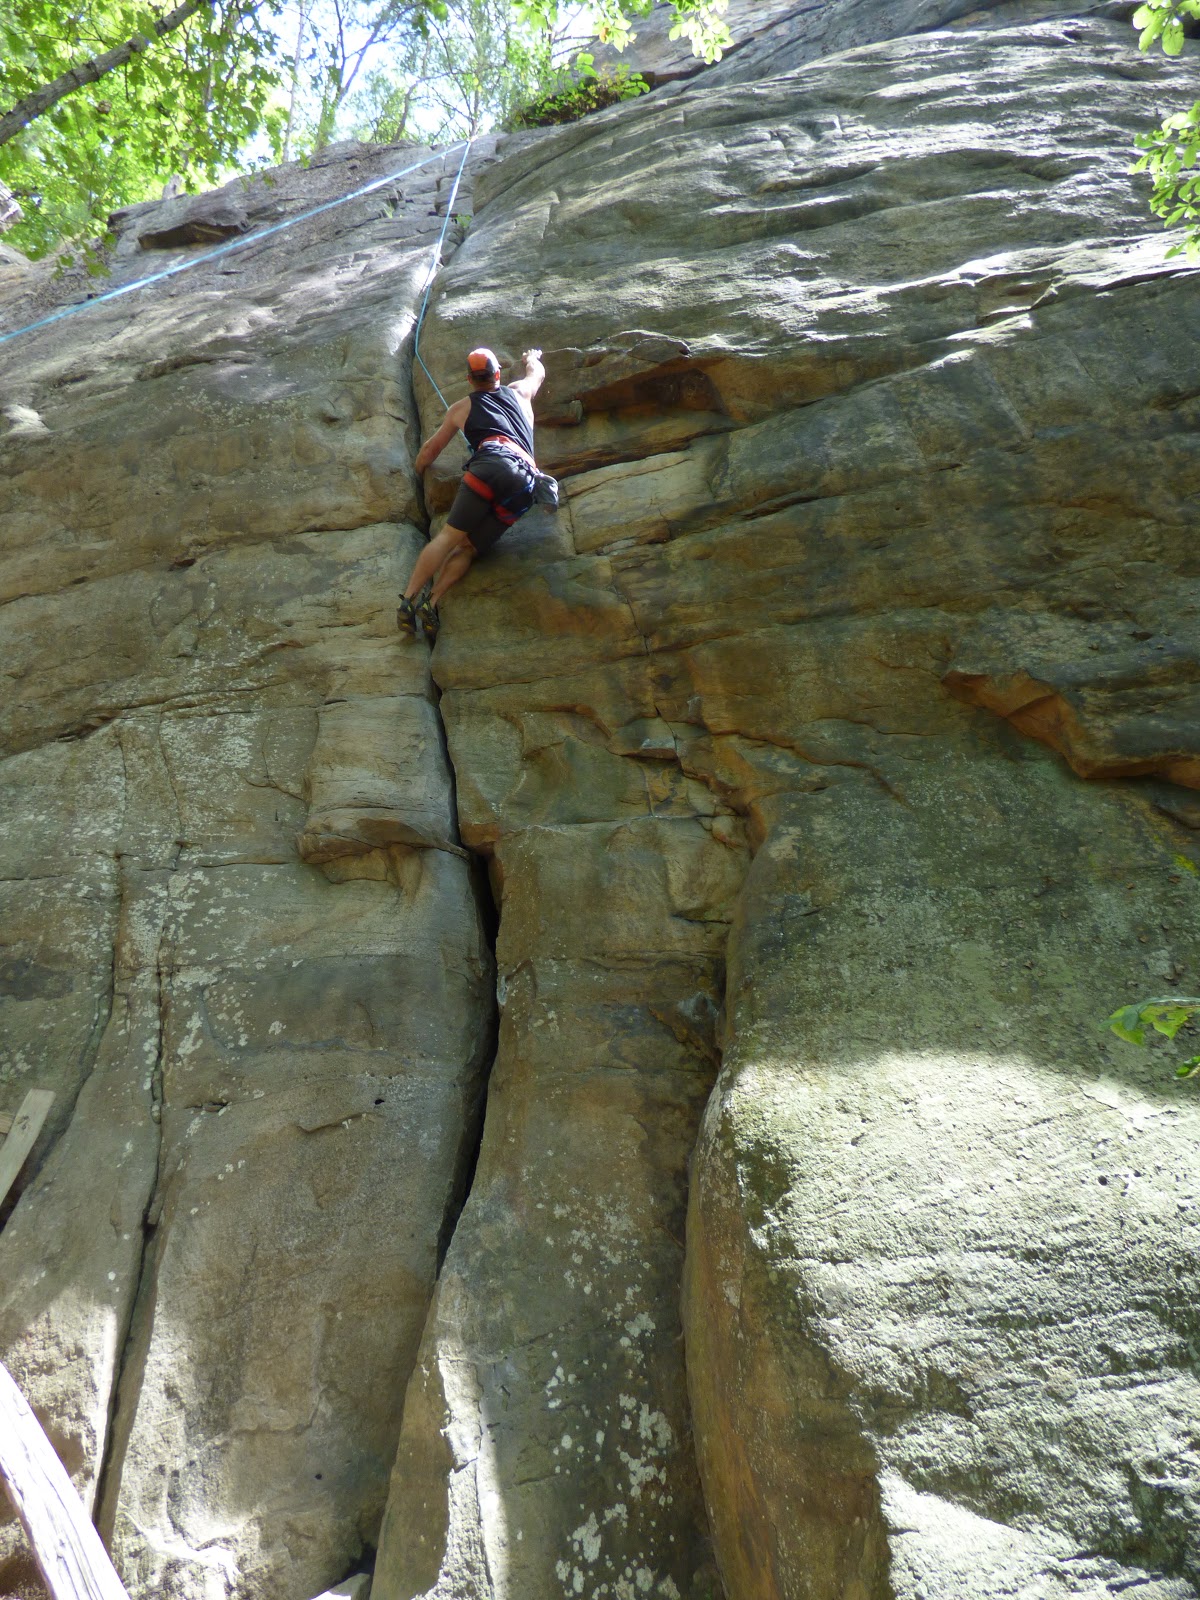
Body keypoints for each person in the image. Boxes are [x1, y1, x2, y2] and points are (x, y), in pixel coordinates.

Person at [397, 345, 546, 640]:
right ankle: (433, 601)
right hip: (525, 482)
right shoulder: (520, 392)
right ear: (498, 374)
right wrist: (533, 358)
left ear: (469, 379)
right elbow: (536, 374)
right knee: (468, 548)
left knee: (449, 537)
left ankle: (409, 600)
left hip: (489, 466)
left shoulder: (462, 408)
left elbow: (430, 450)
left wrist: (415, 472)